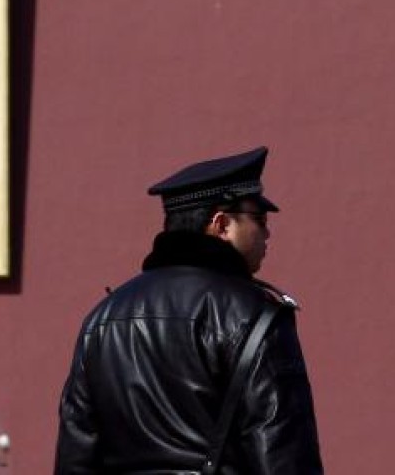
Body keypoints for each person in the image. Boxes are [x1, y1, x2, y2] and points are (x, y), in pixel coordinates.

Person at [54, 146, 323, 474]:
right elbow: (284, 455)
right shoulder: (253, 315)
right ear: (222, 224)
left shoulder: (102, 319)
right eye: (260, 219)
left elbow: (75, 455)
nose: (267, 232)